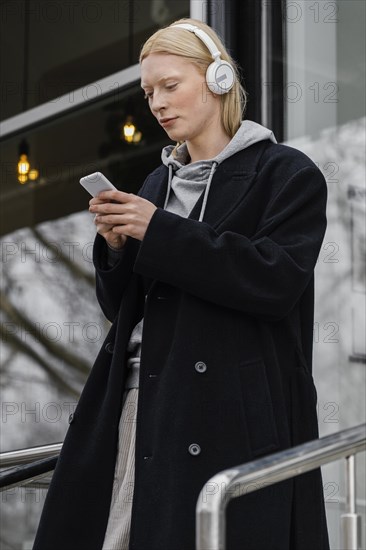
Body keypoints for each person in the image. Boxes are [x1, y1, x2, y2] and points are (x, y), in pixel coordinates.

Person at [32, 17, 330, 550]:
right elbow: (121, 309)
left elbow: (275, 280)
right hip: (138, 401)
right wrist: (118, 248)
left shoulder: (285, 174)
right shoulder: (155, 183)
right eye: (149, 92)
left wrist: (158, 230)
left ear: (218, 79)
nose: (157, 103)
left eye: (171, 85)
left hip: (224, 413)